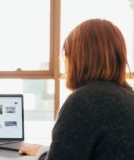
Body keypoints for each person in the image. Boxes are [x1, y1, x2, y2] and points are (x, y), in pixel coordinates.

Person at [19, 19, 134, 159]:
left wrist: (42, 154)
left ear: (76, 59)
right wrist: (43, 151)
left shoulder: (83, 100)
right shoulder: (129, 97)